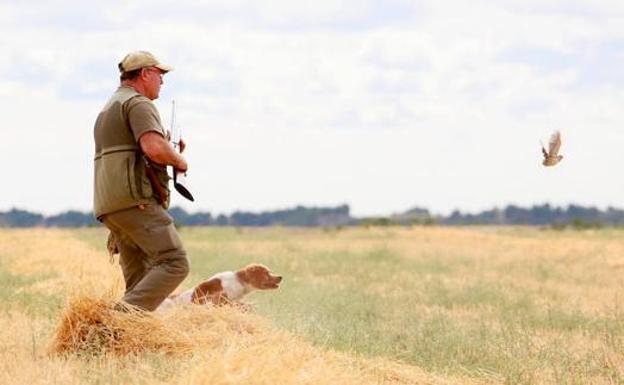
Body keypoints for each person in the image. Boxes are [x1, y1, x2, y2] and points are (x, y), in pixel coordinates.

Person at [93, 51, 189, 311]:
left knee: (140, 280)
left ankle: (123, 341)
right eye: (160, 75)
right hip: (136, 201)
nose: (162, 81)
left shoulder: (109, 108)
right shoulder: (139, 104)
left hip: (112, 206)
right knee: (175, 262)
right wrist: (179, 160)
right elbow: (154, 148)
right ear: (145, 74)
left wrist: (166, 148)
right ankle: (110, 325)